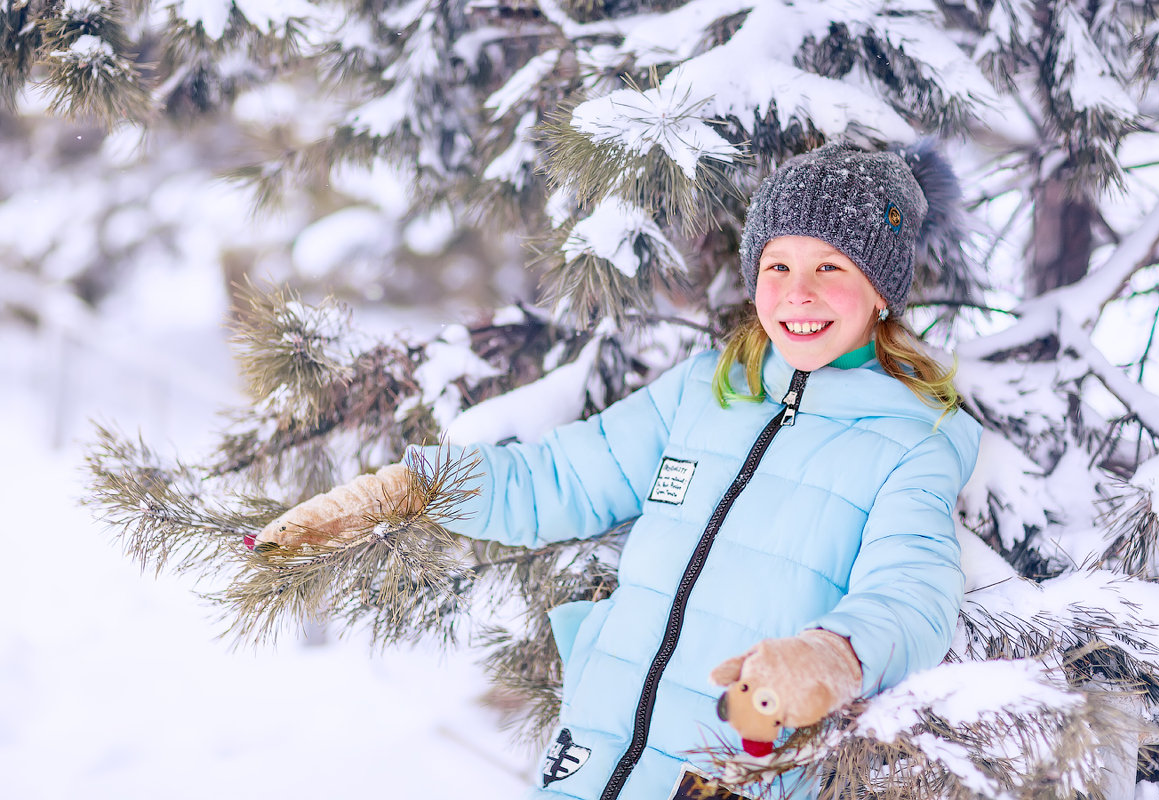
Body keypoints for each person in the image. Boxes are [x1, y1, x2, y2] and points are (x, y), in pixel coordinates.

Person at [254, 141, 983, 800]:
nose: (798, 291)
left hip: (730, 772)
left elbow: (913, 587)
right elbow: (560, 479)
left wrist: (833, 654)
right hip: (592, 754)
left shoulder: (911, 440)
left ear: (882, 290)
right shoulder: (705, 390)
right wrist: (410, 487)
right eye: (778, 265)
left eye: (831, 267)